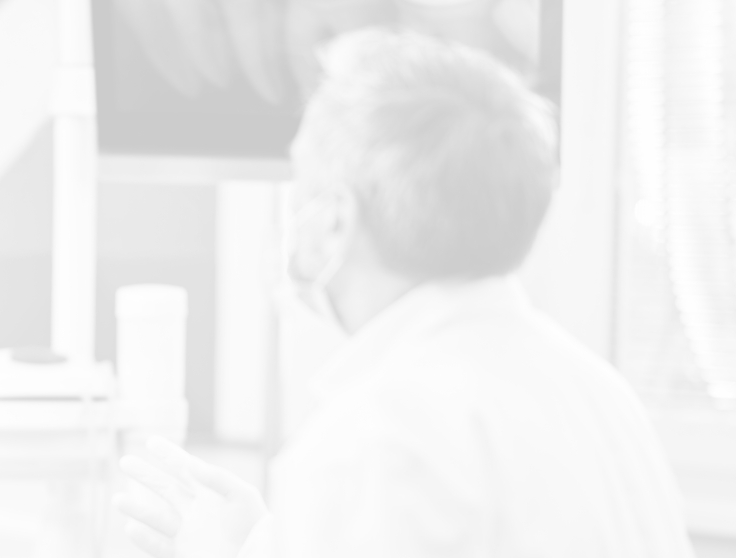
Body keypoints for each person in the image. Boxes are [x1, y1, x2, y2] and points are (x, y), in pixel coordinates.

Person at [114, 29, 694, 558]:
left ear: (335, 221)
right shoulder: (600, 396)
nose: (292, 205)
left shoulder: (374, 441)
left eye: (301, 177)